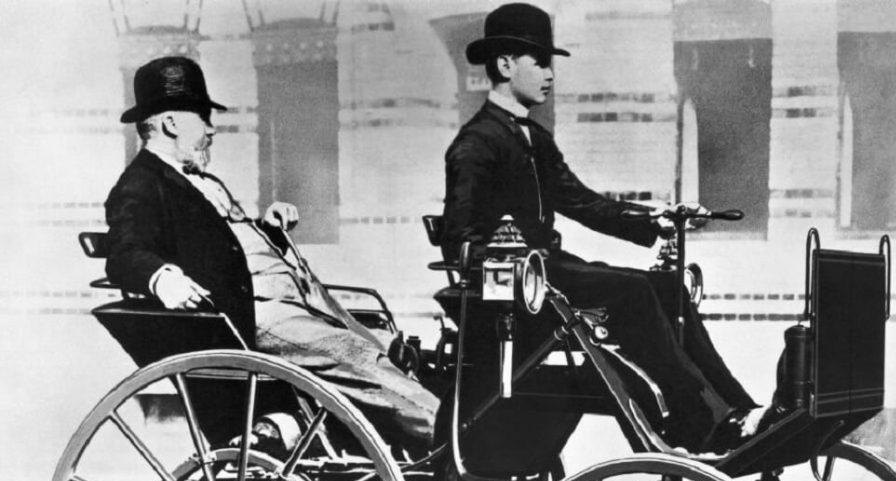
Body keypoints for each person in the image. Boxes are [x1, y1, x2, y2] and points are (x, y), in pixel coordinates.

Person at [442, 3, 776, 453]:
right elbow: (459, 243)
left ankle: (739, 410)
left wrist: (654, 219)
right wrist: (513, 270)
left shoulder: (535, 139)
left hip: (552, 274)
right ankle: (705, 421)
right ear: (505, 65)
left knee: (667, 288)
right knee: (631, 291)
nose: (550, 74)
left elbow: (583, 203)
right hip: (520, 291)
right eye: (539, 62)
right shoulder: (476, 144)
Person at [105, 56, 438, 452]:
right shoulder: (141, 184)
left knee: (386, 344)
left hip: (298, 299)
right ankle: (444, 434)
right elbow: (124, 252)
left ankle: (408, 437)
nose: (211, 129)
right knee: (356, 355)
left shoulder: (202, 181)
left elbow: (225, 248)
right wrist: (162, 278)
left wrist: (269, 231)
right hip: (254, 315)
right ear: (172, 123)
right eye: (203, 118)